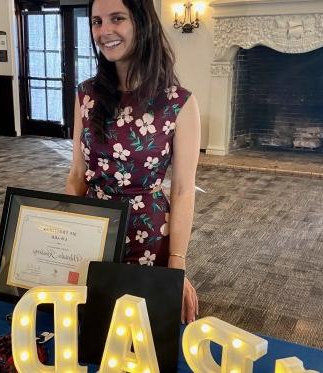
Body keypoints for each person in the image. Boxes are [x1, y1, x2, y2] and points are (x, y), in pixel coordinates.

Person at [65, 0, 200, 324]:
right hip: (94, 228)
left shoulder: (178, 102)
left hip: (148, 232)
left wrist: (177, 267)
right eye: (97, 21)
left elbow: (182, 190)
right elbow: (76, 176)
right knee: (91, 329)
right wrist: (63, 237)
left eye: (117, 18)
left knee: (139, 334)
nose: (104, 30)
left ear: (142, 23)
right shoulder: (86, 94)